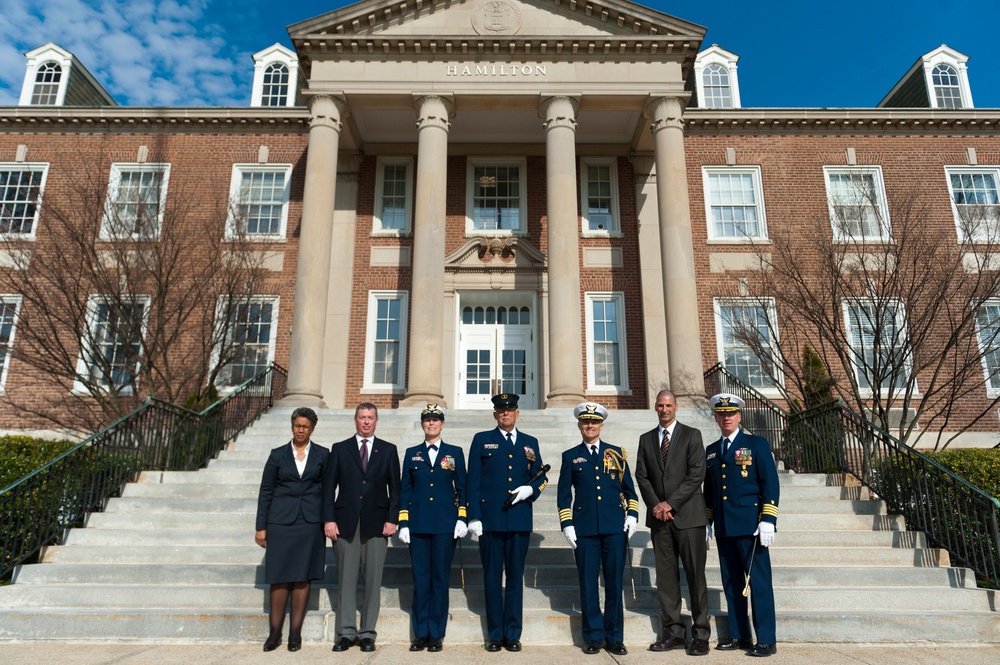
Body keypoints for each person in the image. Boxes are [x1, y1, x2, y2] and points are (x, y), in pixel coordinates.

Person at [467, 392, 547, 652]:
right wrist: (474, 516)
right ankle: (494, 634)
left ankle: (512, 633)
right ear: (495, 414)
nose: (505, 413)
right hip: (490, 521)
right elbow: (473, 482)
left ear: (517, 413)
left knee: (514, 579)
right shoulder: (482, 440)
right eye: (501, 410)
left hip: (520, 520)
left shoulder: (530, 442)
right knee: (492, 578)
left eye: (510, 410)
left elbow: (541, 478)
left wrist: (530, 491)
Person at [558, 402, 639, 656]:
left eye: (594, 422)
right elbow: (563, 496)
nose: (590, 426)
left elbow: (630, 491)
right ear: (580, 426)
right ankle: (593, 636)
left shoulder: (616, 454)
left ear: (601, 425)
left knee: (614, 584)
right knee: (588, 584)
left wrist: (633, 515)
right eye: (585, 422)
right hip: (584, 531)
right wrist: (567, 524)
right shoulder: (570, 456)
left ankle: (615, 637)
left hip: (614, 528)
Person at [634, 389, 711, 655]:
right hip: (659, 520)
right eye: (660, 405)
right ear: (655, 408)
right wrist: (656, 505)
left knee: (695, 577)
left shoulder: (692, 435)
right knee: (666, 579)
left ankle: (701, 634)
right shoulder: (645, 440)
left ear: (676, 407)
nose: (664, 409)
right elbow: (641, 476)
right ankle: (674, 632)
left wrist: (671, 503)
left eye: (668, 405)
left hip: (688, 518)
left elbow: (696, 474)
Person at [704, 394, 780, 657]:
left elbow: (770, 483)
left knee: (758, 583)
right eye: (721, 414)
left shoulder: (755, 444)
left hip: (751, 526)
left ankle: (767, 639)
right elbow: (710, 490)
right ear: (715, 417)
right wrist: (708, 520)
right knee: (731, 583)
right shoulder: (712, 450)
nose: (726, 418)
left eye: (731, 413)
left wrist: (769, 518)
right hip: (725, 525)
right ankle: (739, 634)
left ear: (740, 416)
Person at [322, 403, 401, 653]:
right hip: (344, 523)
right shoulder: (340, 449)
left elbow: (395, 490)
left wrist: (392, 519)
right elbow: (327, 489)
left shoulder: (388, 450)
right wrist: (328, 519)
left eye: (370, 418)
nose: (366, 422)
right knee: (346, 579)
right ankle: (346, 632)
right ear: (355, 420)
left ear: (376, 421)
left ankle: (367, 632)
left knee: (373, 579)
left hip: (378, 524)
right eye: (362, 417)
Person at [255, 407, 329, 652]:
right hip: (280, 522)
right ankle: (274, 633)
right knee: (279, 577)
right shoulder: (277, 455)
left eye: (305, 426)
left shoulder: (322, 454)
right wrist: (261, 527)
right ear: (291, 426)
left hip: (309, 523)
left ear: (312, 429)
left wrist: (328, 520)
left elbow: (328, 492)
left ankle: (295, 634)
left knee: (302, 577)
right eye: (297, 425)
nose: (300, 430)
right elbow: (266, 492)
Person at [398, 404, 469, 652]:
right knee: (421, 580)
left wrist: (462, 518)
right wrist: (403, 522)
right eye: (427, 420)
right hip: (417, 526)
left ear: (442, 424)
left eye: (435, 420)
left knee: (439, 580)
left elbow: (462, 488)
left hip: (444, 526)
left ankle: (436, 633)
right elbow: (405, 490)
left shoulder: (454, 453)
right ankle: (420, 633)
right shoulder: (412, 453)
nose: (431, 424)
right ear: (422, 424)